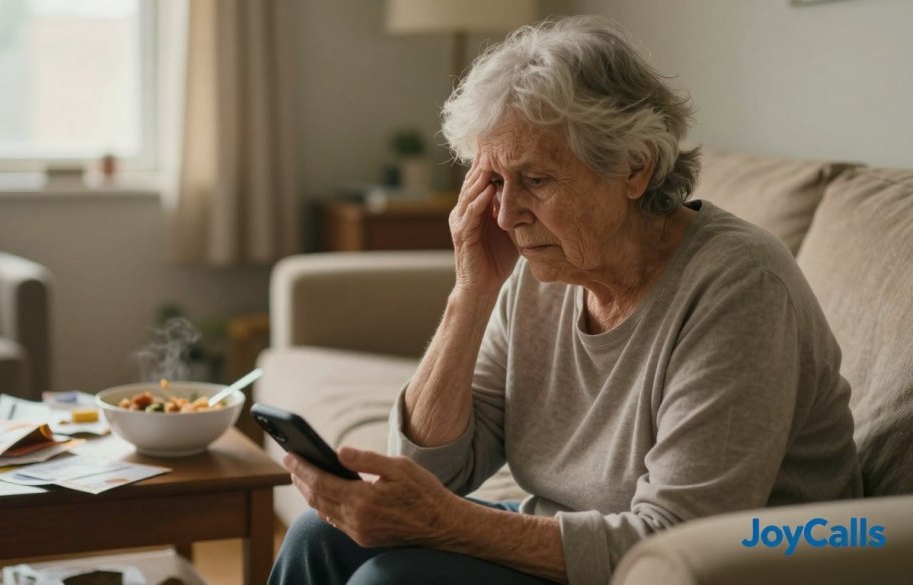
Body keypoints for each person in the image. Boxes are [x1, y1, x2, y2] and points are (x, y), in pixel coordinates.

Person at [269, 15, 861, 585]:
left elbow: (679, 544)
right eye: (495, 181)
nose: (504, 215)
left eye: (537, 180)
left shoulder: (740, 287)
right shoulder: (542, 272)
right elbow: (433, 474)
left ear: (634, 167)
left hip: (720, 566)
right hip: (586, 548)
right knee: (317, 540)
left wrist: (443, 523)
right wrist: (471, 294)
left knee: (390, 577)